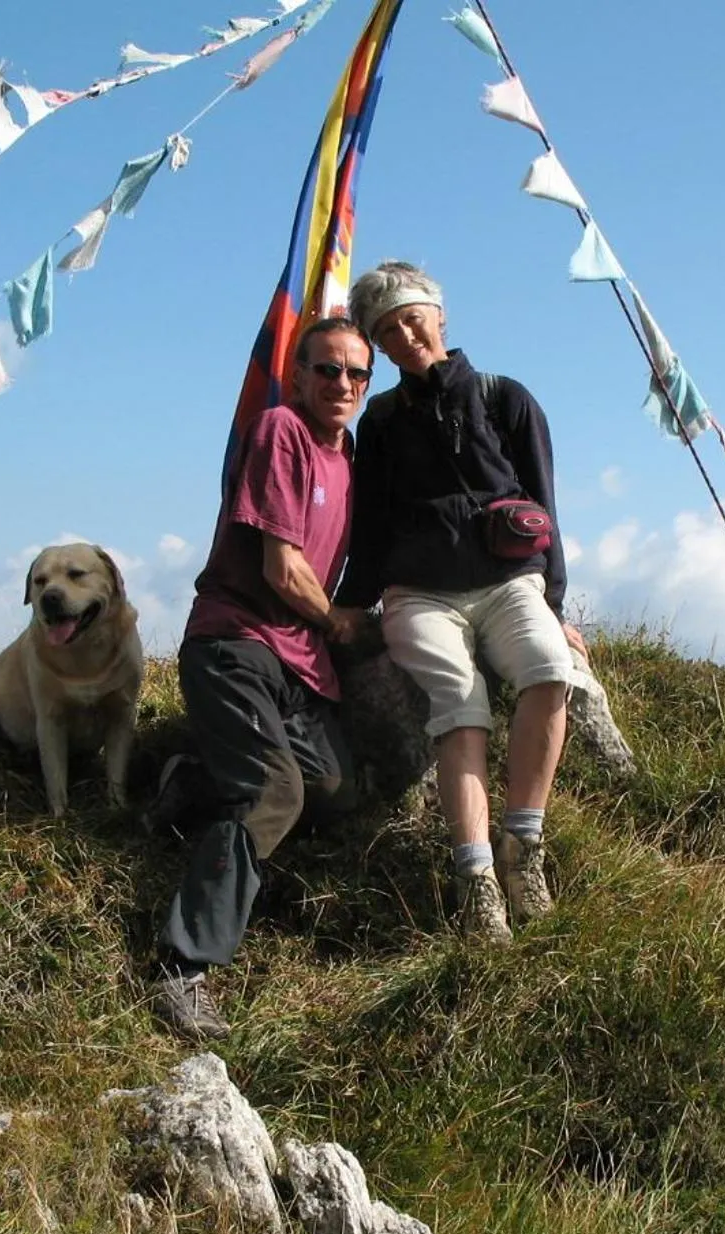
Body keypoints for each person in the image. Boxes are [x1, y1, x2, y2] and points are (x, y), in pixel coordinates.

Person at [332, 261, 584, 944]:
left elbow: (544, 504)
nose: (405, 335)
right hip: (419, 597)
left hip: (511, 584)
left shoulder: (506, 399)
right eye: (387, 331)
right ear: (379, 347)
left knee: (549, 672)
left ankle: (520, 848)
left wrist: (555, 607)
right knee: (460, 709)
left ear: (439, 316)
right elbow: (372, 525)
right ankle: (477, 882)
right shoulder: (380, 421)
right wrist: (352, 604)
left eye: (413, 318)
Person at [149, 317, 372, 1041]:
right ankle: (184, 964)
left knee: (335, 789)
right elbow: (283, 570)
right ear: (300, 375)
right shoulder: (282, 429)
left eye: (356, 374)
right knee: (275, 791)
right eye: (327, 370)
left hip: (295, 663)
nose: (342, 384)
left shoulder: (350, 459)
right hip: (236, 641)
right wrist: (339, 622)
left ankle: (187, 779)